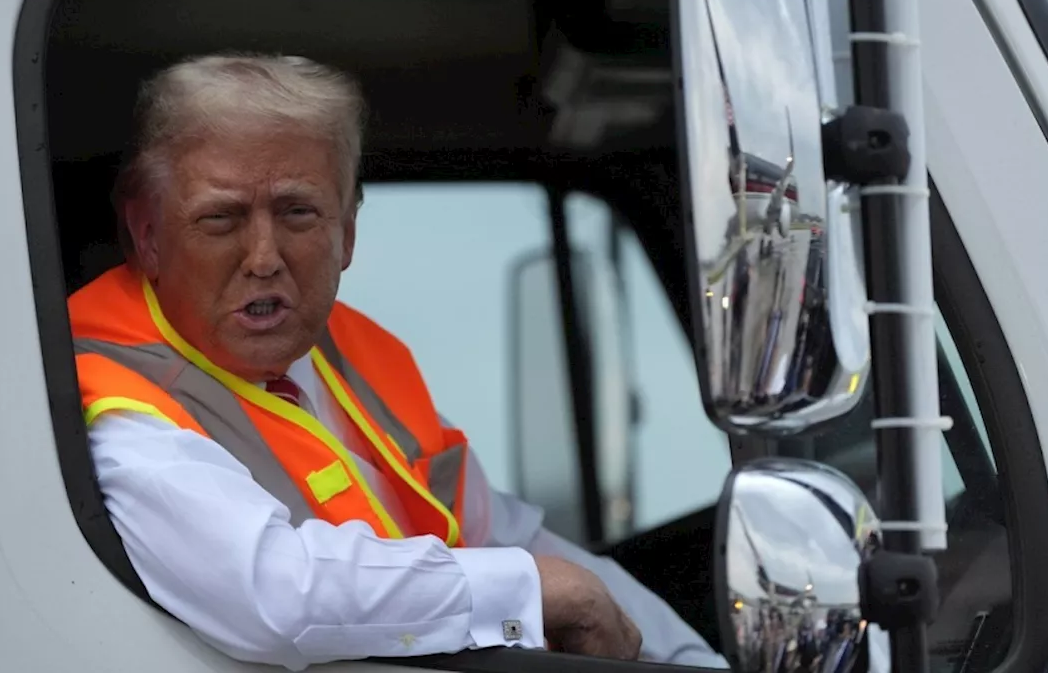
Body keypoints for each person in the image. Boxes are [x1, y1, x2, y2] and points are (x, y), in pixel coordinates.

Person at [69, 52, 728, 671]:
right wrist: (524, 590)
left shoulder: (349, 355)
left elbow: (508, 535)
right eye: (221, 219)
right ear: (147, 235)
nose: (264, 255)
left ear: (347, 233)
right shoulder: (110, 396)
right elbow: (276, 593)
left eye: (298, 212)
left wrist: (692, 661)